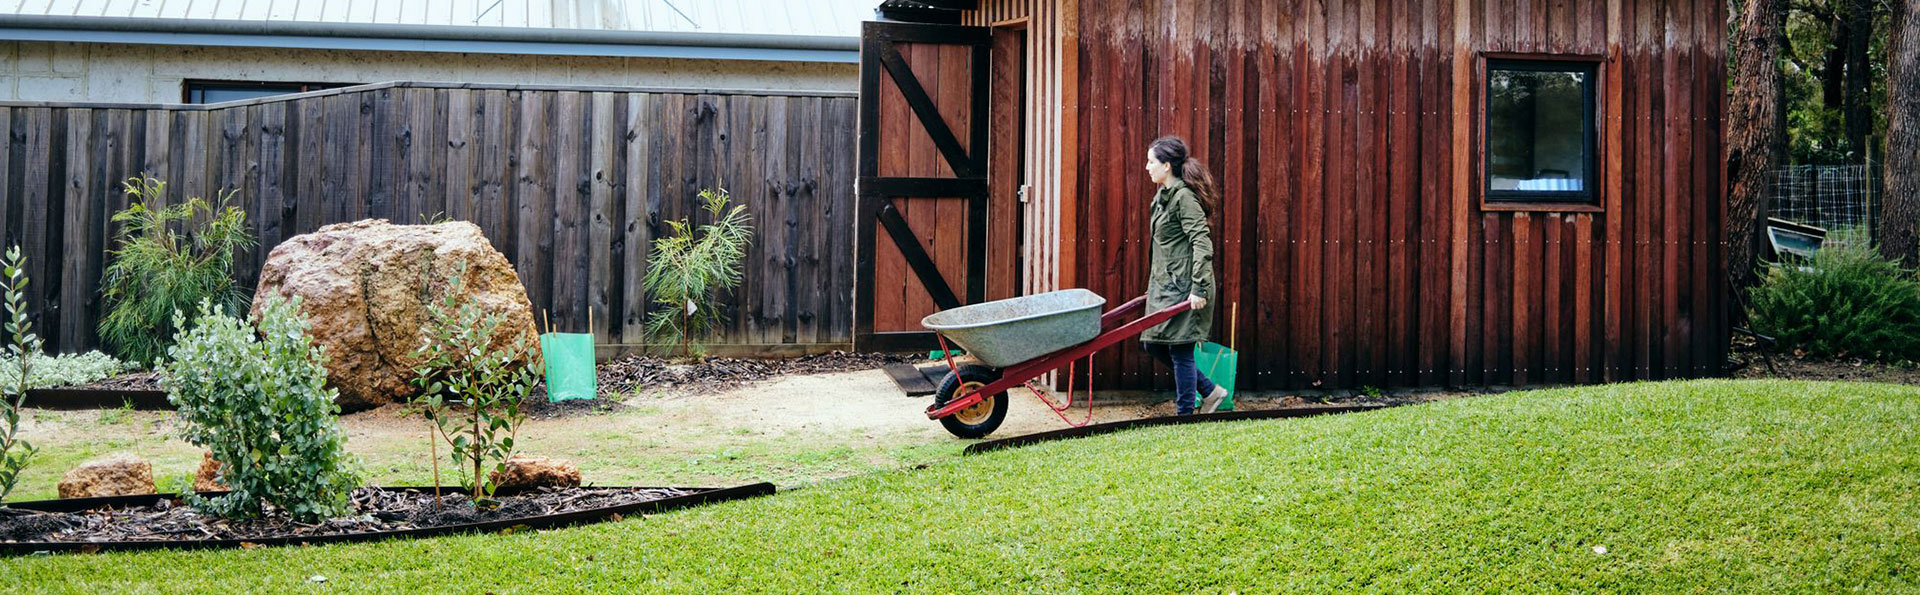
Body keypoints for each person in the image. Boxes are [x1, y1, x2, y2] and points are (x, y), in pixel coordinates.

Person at [1140, 135, 1228, 415]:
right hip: (1166, 286)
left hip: (1187, 286)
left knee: (1180, 350)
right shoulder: (1162, 198)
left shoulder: (1183, 198)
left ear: (1166, 165)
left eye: (1151, 162)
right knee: (1152, 343)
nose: (1147, 167)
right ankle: (1211, 391)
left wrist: (1199, 288)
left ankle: (1185, 416)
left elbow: (1202, 243)